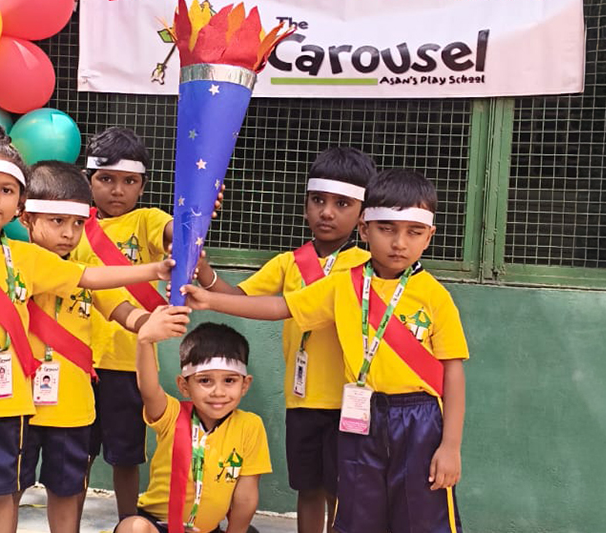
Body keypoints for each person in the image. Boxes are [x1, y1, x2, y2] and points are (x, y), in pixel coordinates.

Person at [0, 126, 174, 533]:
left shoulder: (31, 260)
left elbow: (95, 283)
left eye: (6, 190)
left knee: (20, 494)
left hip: (27, 408)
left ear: (18, 203)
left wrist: (154, 281)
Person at [183, 169, 469, 533]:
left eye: (414, 232)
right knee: (357, 516)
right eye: (387, 229)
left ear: (429, 235)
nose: (399, 243)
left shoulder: (435, 296)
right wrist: (210, 300)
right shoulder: (342, 285)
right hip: (361, 417)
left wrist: (450, 446)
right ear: (365, 229)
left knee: (422, 519)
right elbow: (281, 306)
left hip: (419, 419)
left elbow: (452, 372)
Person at [195, 147, 376, 533]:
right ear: (306, 205)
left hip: (350, 400)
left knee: (342, 491)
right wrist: (205, 272)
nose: (327, 212)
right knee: (308, 489)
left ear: (363, 216)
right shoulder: (289, 263)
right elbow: (240, 299)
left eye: (342, 204)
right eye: (318, 200)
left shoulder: (368, 267)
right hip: (302, 400)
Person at [17, 160, 191, 533]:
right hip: (19, 404)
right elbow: (89, 278)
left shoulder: (86, 261)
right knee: (7, 490)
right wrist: (154, 270)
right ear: (26, 219)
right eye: (57, 221)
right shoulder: (17, 261)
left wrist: (149, 324)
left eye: (78, 223)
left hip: (73, 408)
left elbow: (122, 309)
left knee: (66, 489)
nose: (69, 233)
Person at [69, 127, 176, 519]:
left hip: (129, 365)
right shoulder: (73, 225)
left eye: (129, 181)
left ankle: (128, 525)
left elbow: (174, 232)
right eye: (106, 179)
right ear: (89, 180)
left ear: (143, 186)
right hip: (77, 361)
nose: (118, 190)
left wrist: (193, 218)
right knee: (76, 456)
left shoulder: (148, 220)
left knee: (126, 458)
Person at [115, 322, 272, 533]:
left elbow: (246, 497)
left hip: (206, 530)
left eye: (229, 380)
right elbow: (149, 391)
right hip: (158, 526)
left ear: (245, 385)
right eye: (205, 381)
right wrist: (144, 341)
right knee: (132, 528)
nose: (218, 392)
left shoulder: (250, 426)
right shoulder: (172, 415)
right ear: (184, 386)